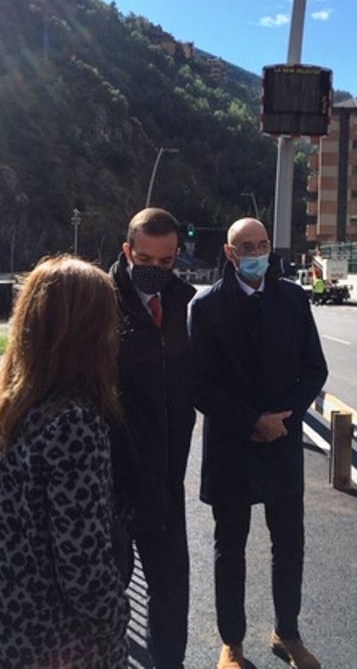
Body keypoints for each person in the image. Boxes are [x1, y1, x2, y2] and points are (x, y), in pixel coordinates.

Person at [0, 255, 128, 669]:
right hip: (55, 643)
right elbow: (82, 563)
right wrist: (115, 617)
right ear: (88, 332)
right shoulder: (74, 423)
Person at [188, 218, 328, 669]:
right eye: (246, 246)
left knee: (290, 543)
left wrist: (281, 418)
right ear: (230, 253)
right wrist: (252, 420)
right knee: (230, 547)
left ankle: (287, 631)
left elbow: (314, 369)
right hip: (232, 444)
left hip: (282, 440)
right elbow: (200, 385)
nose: (256, 252)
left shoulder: (292, 298)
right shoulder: (206, 307)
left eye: (262, 244)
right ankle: (232, 643)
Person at [108, 207, 196, 669]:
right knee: (104, 596)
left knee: (171, 594)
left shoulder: (184, 302)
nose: (156, 272)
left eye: (166, 263)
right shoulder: (98, 302)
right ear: (127, 251)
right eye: (145, 260)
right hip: (111, 486)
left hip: (165, 481)